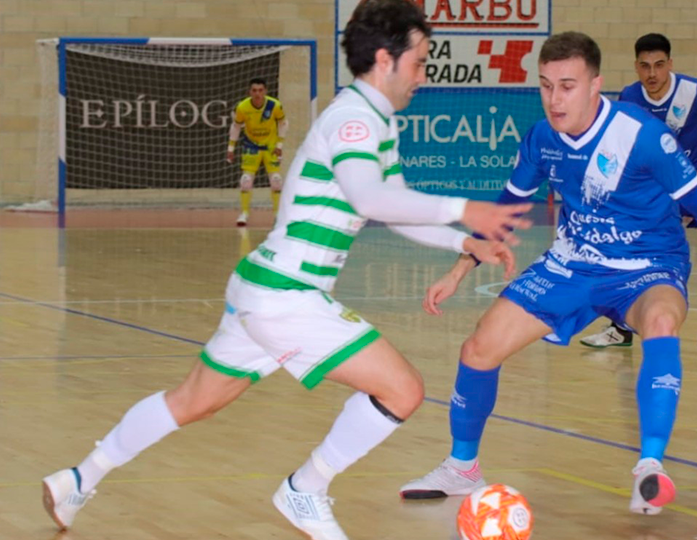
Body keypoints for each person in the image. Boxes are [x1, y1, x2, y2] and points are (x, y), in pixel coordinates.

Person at [41, 2, 533, 539]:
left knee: (191, 401)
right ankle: (306, 489)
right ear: (387, 60)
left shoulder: (376, 123)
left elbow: (388, 206)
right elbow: (368, 194)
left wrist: (463, 241)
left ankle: (77, 478)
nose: (424, 74)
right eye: (419, 61)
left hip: (262, 288)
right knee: (403, 391)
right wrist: (464, 209)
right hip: (287, 296)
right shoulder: (352, 120)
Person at [399, 32, 697, 516]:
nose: (554, 99)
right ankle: (462, 467)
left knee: (662, 323)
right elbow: (507, 207)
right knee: (478, 348)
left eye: (566, 86)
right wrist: (460, 267)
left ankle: (650, 467)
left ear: (595, 86)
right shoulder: (543, 137)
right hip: (573, 263)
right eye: (545, 86)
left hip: (648, 266)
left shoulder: (643, 135)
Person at [579, 33, 697, 356]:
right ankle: (622, 328)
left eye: (658, 65)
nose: (652, 73)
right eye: (645, 66)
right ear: (636, 67)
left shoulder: (694, 90)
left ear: (670, 64)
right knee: (633, 250)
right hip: (658, 189)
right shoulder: (629, 95)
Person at [227, 78, 289, 226]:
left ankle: (277, 215)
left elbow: (283, 123)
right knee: (246, 181)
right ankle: (244, 214)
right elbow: (236, 127)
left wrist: (279, 145)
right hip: (251, 146)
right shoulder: (242, 107)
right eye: (254, 91)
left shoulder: (274, 105)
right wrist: (230, 148)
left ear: (265, 91)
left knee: (276, 181)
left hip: (270, 146)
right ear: (250, 92)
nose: (257, 94)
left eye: (260, 90)